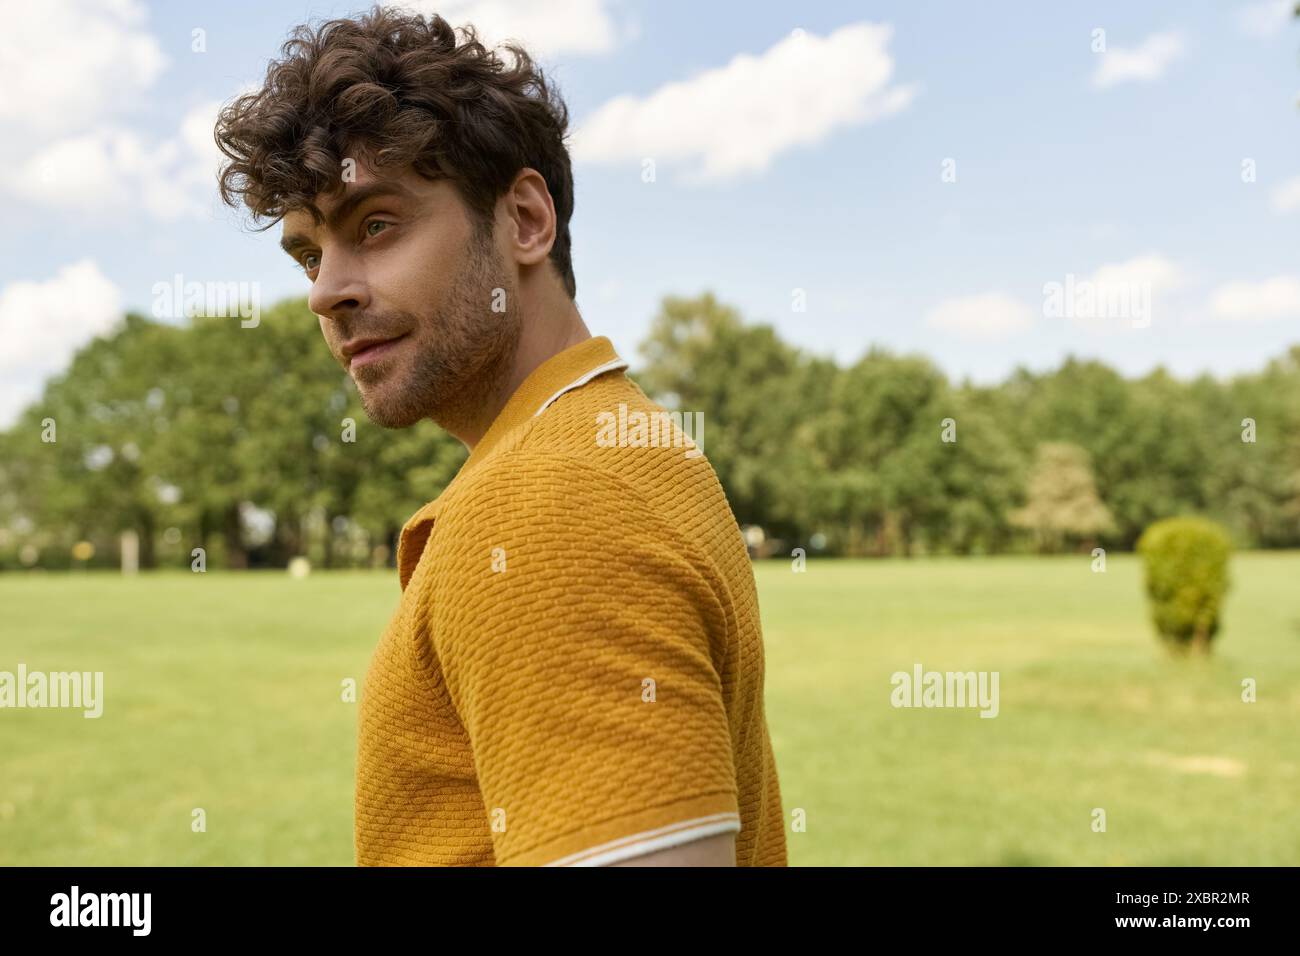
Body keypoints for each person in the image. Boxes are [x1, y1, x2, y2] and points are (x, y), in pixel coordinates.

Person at [214, 5, 786, 867]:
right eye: (307, 254)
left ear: (524, 220)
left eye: (375, 224)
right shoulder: (617, 438)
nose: (325, 292)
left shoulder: (552, 500)